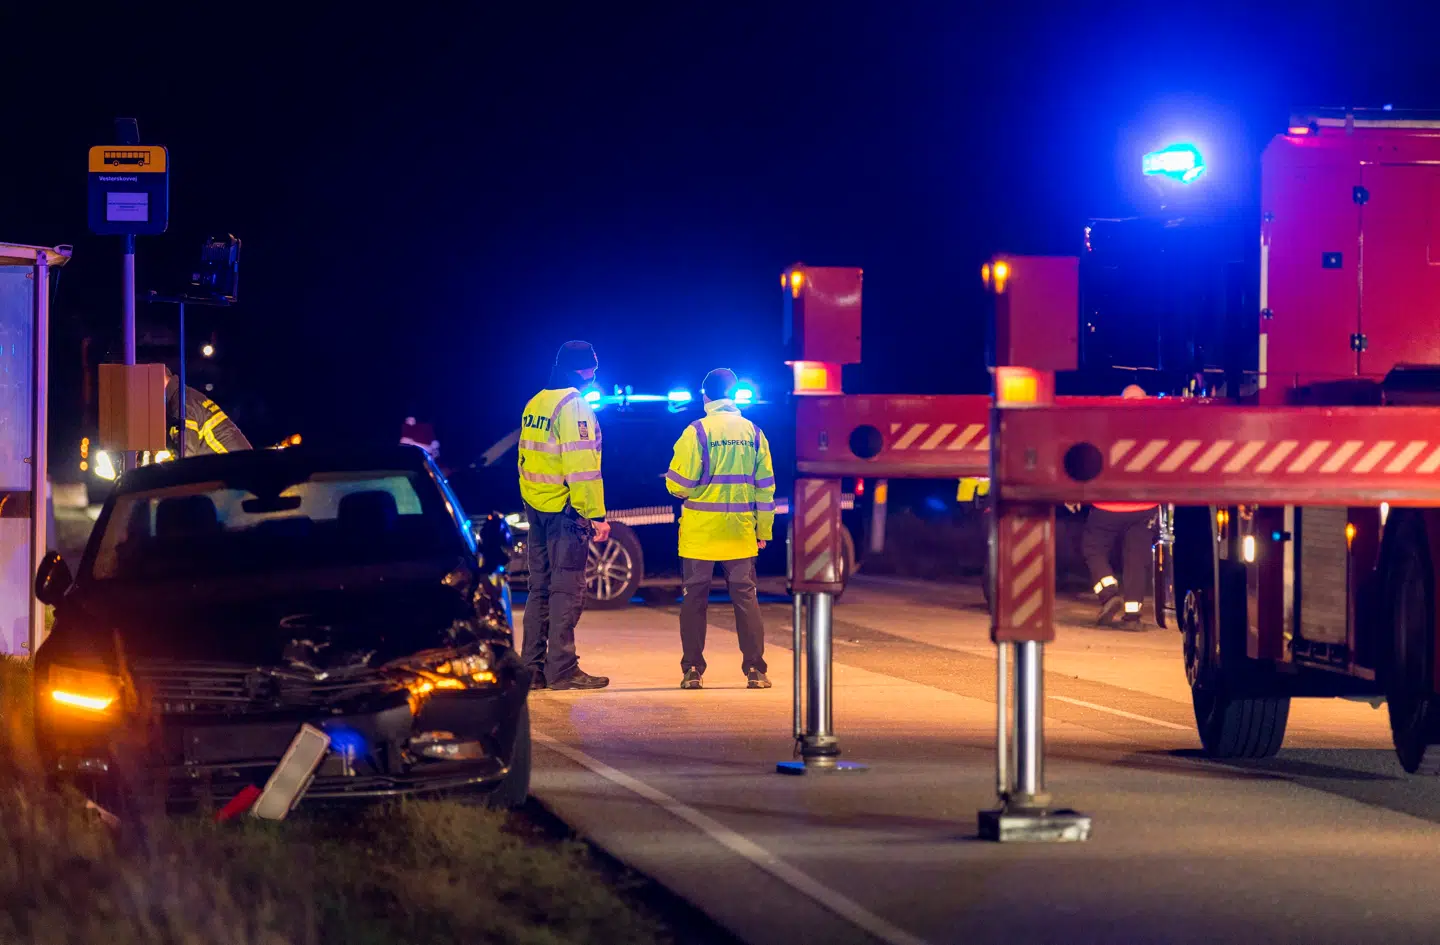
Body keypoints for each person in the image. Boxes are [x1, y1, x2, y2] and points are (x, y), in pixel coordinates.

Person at [665, 368, 776, 690]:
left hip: (701, 533)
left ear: (705, 396)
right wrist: (764, 530)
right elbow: (765, 487)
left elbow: (679, 483)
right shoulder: (754, 433)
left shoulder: (696, 431)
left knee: (694, 602)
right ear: (734, 395)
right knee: (746, 599)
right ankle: (755, 670)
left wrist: (676, 485)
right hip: (740, 531)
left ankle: (692, 671)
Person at [517, 341, 612, 691]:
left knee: (538, 588)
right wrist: (596, 515)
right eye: (593, 366)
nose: (596, 372)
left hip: (537, 507)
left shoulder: (536, 402)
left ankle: (532, 670)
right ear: (580, 369)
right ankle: (562, 669)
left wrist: (533, 502)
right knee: (567, 589)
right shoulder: (574, 405)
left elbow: (524, 459)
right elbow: (582, 467)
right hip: (565, 512)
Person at [1082, 383, 1157, 628]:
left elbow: (1089, 462)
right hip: (1144, 507)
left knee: (1093, 550)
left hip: (1107, 505)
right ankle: (1133, 617)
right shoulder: (1154, 428)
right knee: (1136, 561)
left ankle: (1108, 592)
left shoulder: (1107, 426)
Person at [164, 366, 252, 457]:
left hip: (235, 467)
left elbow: (186, 455)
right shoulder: (186, 396)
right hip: (241, 465)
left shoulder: (181, 403)